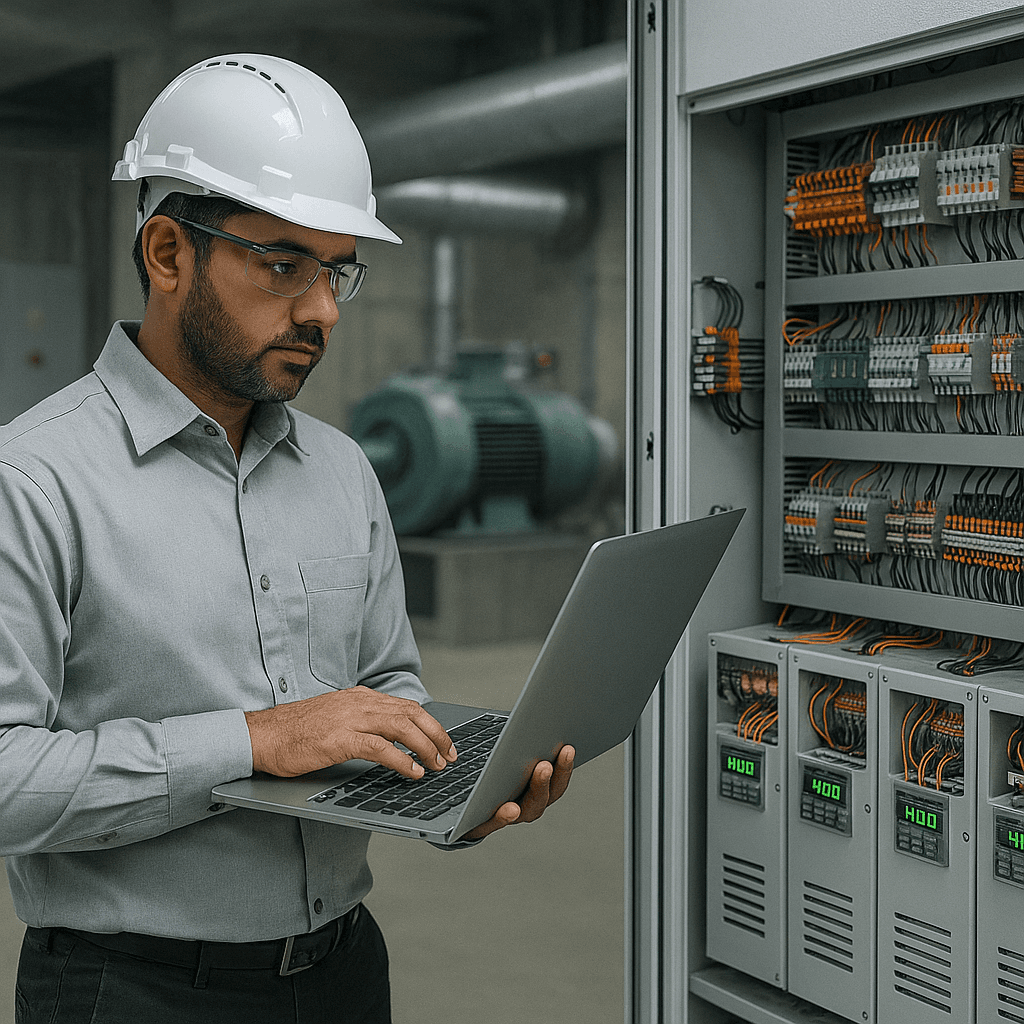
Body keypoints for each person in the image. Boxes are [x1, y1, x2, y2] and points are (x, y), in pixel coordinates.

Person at [0, 53, 573, 1024]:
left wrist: (450, 787)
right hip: (131, 990)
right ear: (169, 254)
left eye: (338, 268)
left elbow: (387, 682)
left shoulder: (343, 471)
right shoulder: (33, 478)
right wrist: (254, 740)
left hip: (344, 970)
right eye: (283, 265)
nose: (321, 309)